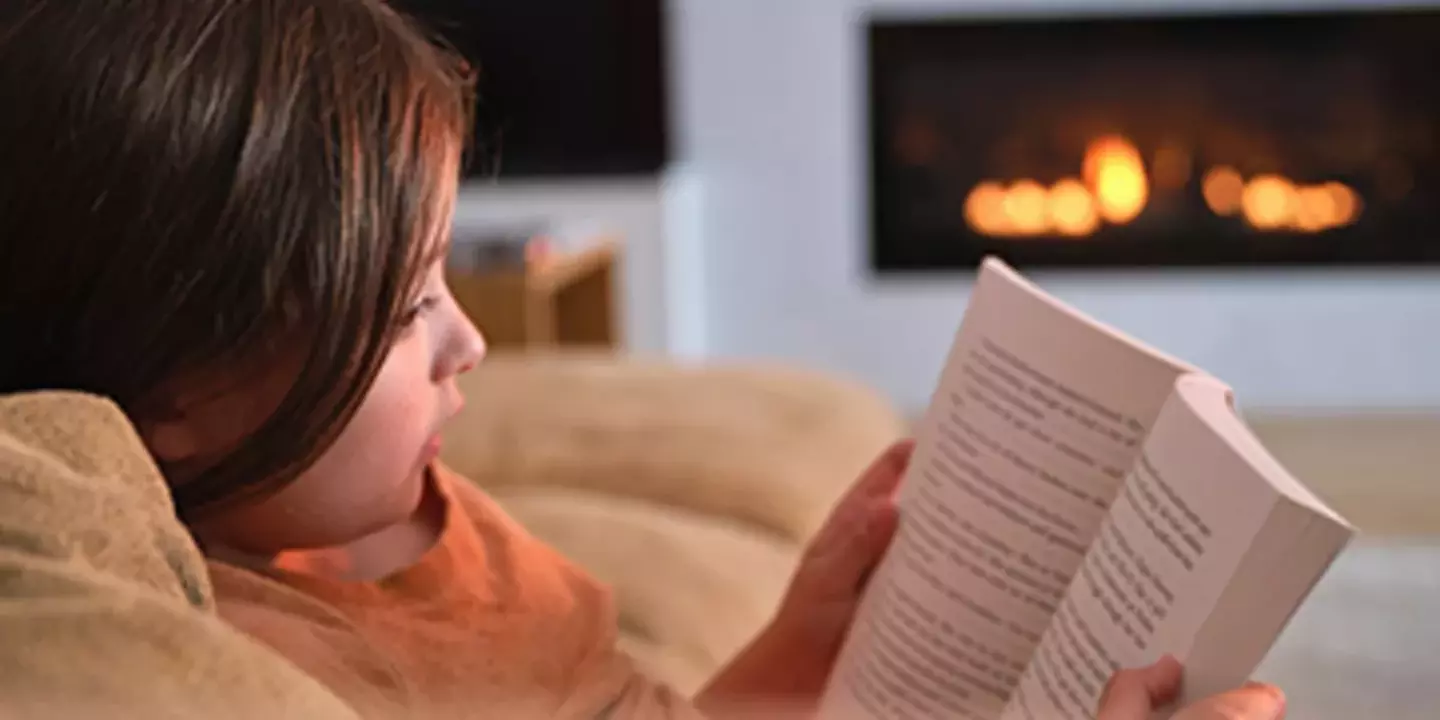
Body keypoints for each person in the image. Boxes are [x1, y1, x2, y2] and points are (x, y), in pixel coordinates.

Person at [0, 1, 1287, 718]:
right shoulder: (257, 666)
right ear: (174, 388)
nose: (473, 344)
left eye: (449, 278)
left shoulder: (409, 517)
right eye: (404, 311)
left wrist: (786, 661)